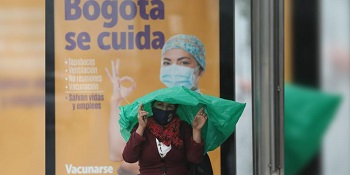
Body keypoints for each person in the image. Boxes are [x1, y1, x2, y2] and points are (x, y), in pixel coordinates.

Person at [105, 34, 211, 174]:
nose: (174, 69)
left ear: (200, 68)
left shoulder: (204, 110)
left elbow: (195, 157)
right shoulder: (149, 111)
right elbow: (120, 155)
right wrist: (116, 100)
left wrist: (196, 131)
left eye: (184, 62)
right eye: (167, 63)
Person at [122, 101, 208, 175]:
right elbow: (129, 158)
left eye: (169, 106)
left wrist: (196, 130)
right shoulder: (142, 127)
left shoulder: (183, 127)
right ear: (152, 106)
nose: (164, 110)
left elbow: (195, 158)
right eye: (160, 104)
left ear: (175, 109)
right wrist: (141, 127)